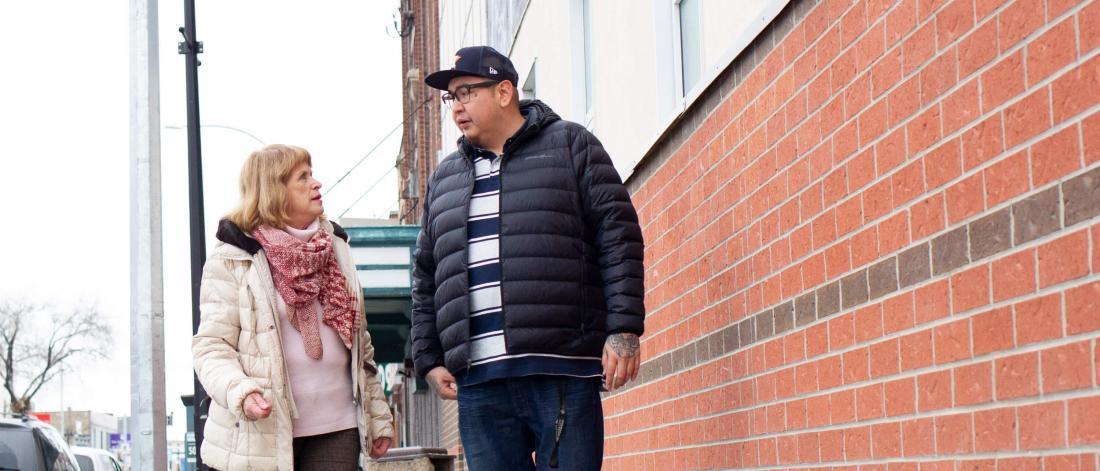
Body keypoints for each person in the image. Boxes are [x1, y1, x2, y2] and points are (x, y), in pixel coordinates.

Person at [411, 46, 645, 470]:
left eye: (465, 92)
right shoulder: (443, 179)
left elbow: (619, 236)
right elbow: (426, 276)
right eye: (451, 98)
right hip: (478, 383)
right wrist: (427, 357)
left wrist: (624, 329)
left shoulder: (571, 145)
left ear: (504, 91)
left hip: (560, 371)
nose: (456, 108)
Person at [193, 144, 393, 470]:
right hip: (261, 431)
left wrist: (378, 415)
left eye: (311, 175)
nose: (316, 184)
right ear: (273, 190)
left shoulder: (337, 248)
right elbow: (211, 347)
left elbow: (361, 345)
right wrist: (241, 392)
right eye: (303, 178)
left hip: (336, 426)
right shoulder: (234, 256)